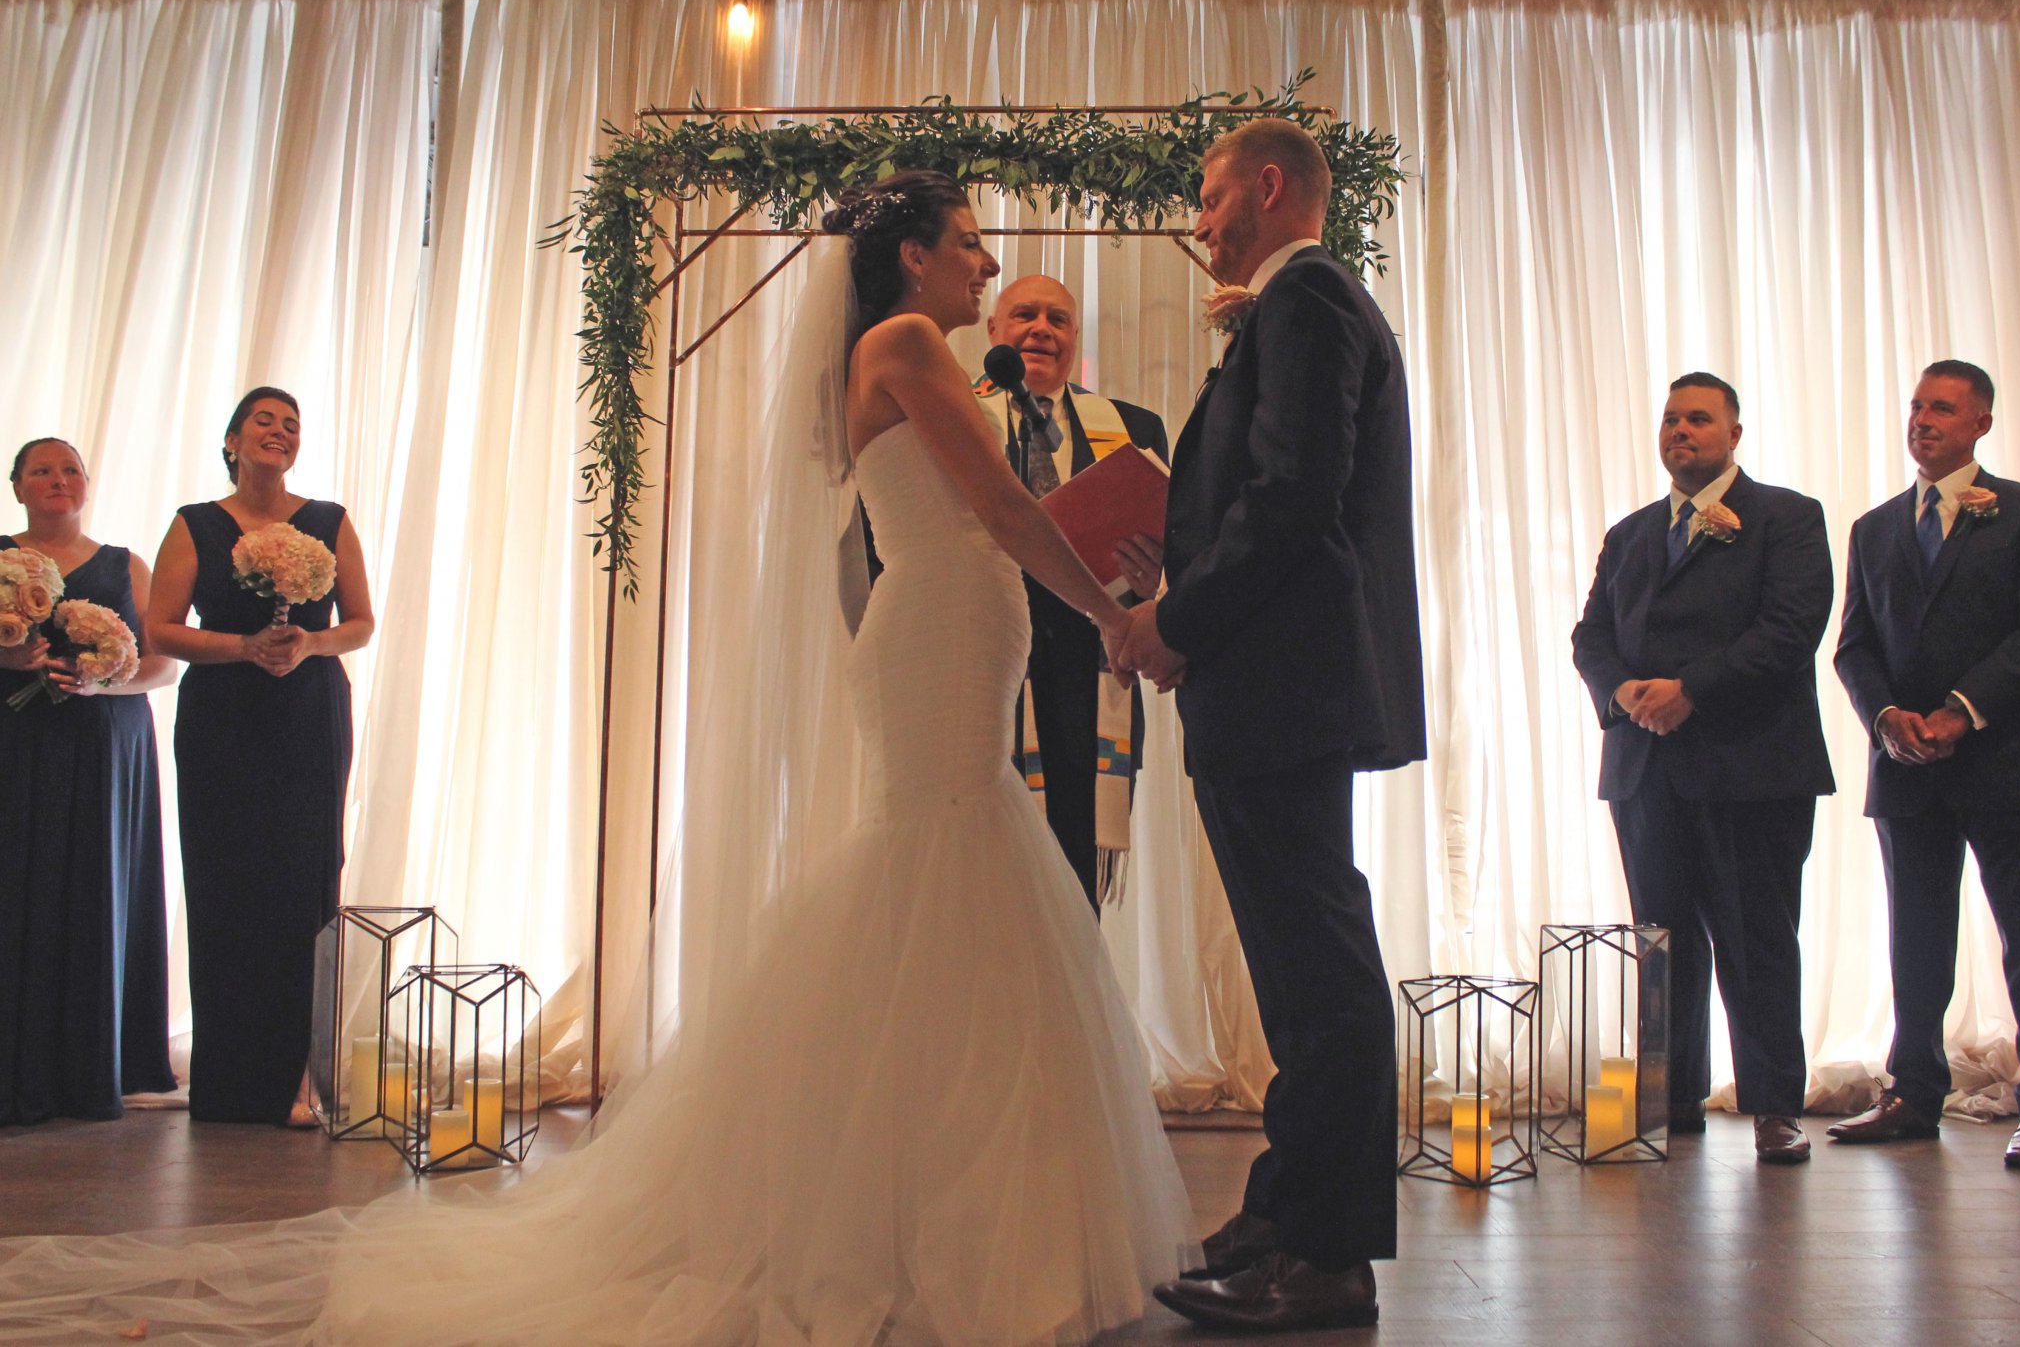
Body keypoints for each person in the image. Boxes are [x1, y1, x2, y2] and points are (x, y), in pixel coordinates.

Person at [0, 173, 1190, 1343]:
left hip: (950, 623)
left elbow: (987, 513)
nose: (987, 263)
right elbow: (1001, 511)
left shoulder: (890, 348)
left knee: (937, 873)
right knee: (943, 865)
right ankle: (936, 1208)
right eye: (969, 242)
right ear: (915, 256)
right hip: (942, 624)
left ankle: (912, 1192)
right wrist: (1111, 616)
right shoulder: (909, 340)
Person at [1120, 119, 1424, 1331]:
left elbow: (1292, 495)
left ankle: (1327, 1255)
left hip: (1281, 686)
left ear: (1264, 184)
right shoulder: (1297, 305)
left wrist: (1177, 619)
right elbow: (1267, 494)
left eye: (1206, 197)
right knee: (1299, 977)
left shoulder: (1304, 299)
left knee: (1319, 976)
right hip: (1276, 685)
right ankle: (1285, 1209)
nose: (1199, 222)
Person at [1570, 373, 1833, 1164]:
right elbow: (1591, 636)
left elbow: (1789, 629)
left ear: (1734, 434)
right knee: (1660, 944)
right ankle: (1667, 1097)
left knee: (1758, 943)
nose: (1680, 430)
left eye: (1698, 418)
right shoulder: (1631, 534)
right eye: (1670, 419)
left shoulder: (1787, 518)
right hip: (1646, 768)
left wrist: (1691, 690)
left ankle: (1774, 1105)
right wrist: (1624, 692)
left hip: (1751, 767)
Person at [1830, 359, 2020, 1169]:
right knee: (1915, 940)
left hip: (2009, 762)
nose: (1923, 419)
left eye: (1944, 409)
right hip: (1906, 765)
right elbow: (1854, 645)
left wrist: (1962, 709)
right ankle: (1913, 1094)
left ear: (1981, 423)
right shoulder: (1875, 527)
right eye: (1918, 406)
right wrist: (1887, 718)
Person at [145, 389, 376, 1126]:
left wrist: (309, 643)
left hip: (308, 713)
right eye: (264, 421)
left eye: (291, 425)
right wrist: (245, 646)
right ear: (232, 441)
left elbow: (361, 623)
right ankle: (227, 1083)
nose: (280, 432)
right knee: (226, 882)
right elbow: (161, 630)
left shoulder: (328, 521)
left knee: (304, 881)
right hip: (222, 718)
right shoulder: (195, 524)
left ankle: (298, 1081)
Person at [976, 273, 1169, 911]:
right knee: (984, 873)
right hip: (983, 666)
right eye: (1024, 315)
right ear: (993, 331)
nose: (1041, 330)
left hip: (1092, 675)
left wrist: (1153, 579)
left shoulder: (1133, 429)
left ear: (1075, 338)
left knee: (1073, 882)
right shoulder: (959, 419)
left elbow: (1171, 550)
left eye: (1057, 320)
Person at [0, 438, 177, 1125]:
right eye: (41, 470)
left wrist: (104, 682)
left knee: (96, 887)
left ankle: (93, 1064)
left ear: (86, 483)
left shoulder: (125, 564)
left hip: (106, 744)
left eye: (70, 468)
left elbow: (162, 664)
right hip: (16, 740)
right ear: (17, 486)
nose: (58, 479)